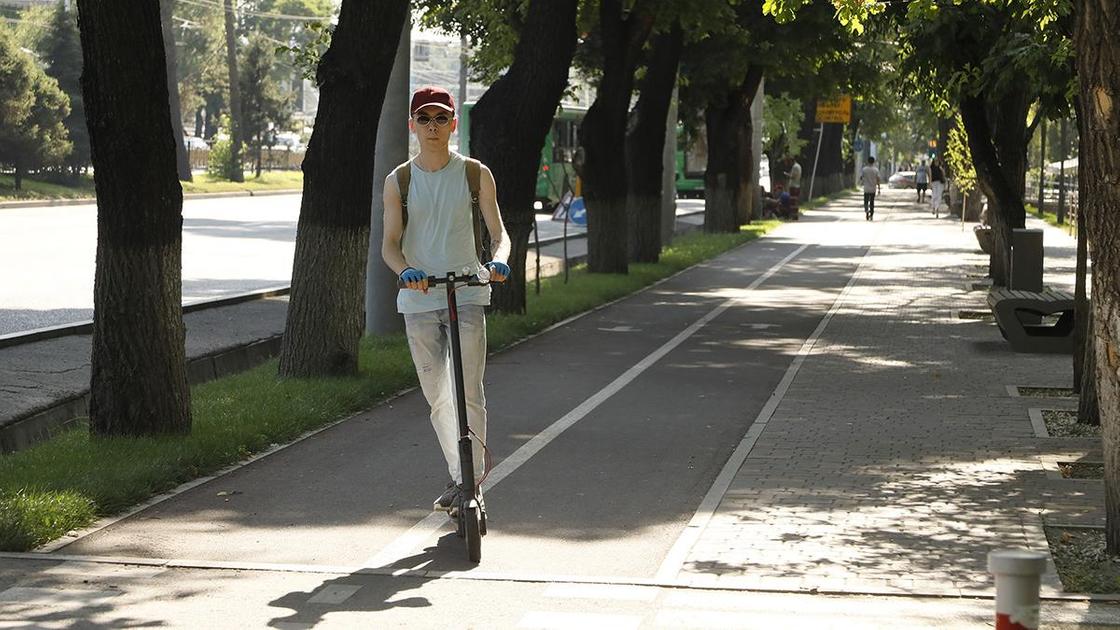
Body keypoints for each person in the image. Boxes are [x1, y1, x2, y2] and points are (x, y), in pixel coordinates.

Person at [381, 86, 512, 515]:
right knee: (438, 397)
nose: (433, 127)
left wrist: (499, 261)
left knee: (469, 393)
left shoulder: (475, 174)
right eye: (425, 119)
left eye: (441, 119)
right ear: (412, 126)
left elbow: (499, 234)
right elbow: (390, 245)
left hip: (468, 294)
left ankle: (471, 486)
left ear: (454, 124)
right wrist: (406, 272)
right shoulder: (399, 180)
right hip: (419, 300)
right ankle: (461, 478)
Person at [860, 156, 882, 221]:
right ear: (873, 162)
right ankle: (871, 214)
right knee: (872, 202)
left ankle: (866, 211)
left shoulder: (864, 169)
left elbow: (861, 177)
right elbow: (878, 179)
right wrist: (879, 188)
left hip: (866, 188)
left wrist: (863, 181)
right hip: (873, 189)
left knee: (866, 201)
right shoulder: (876, 170)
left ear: (868, 161)